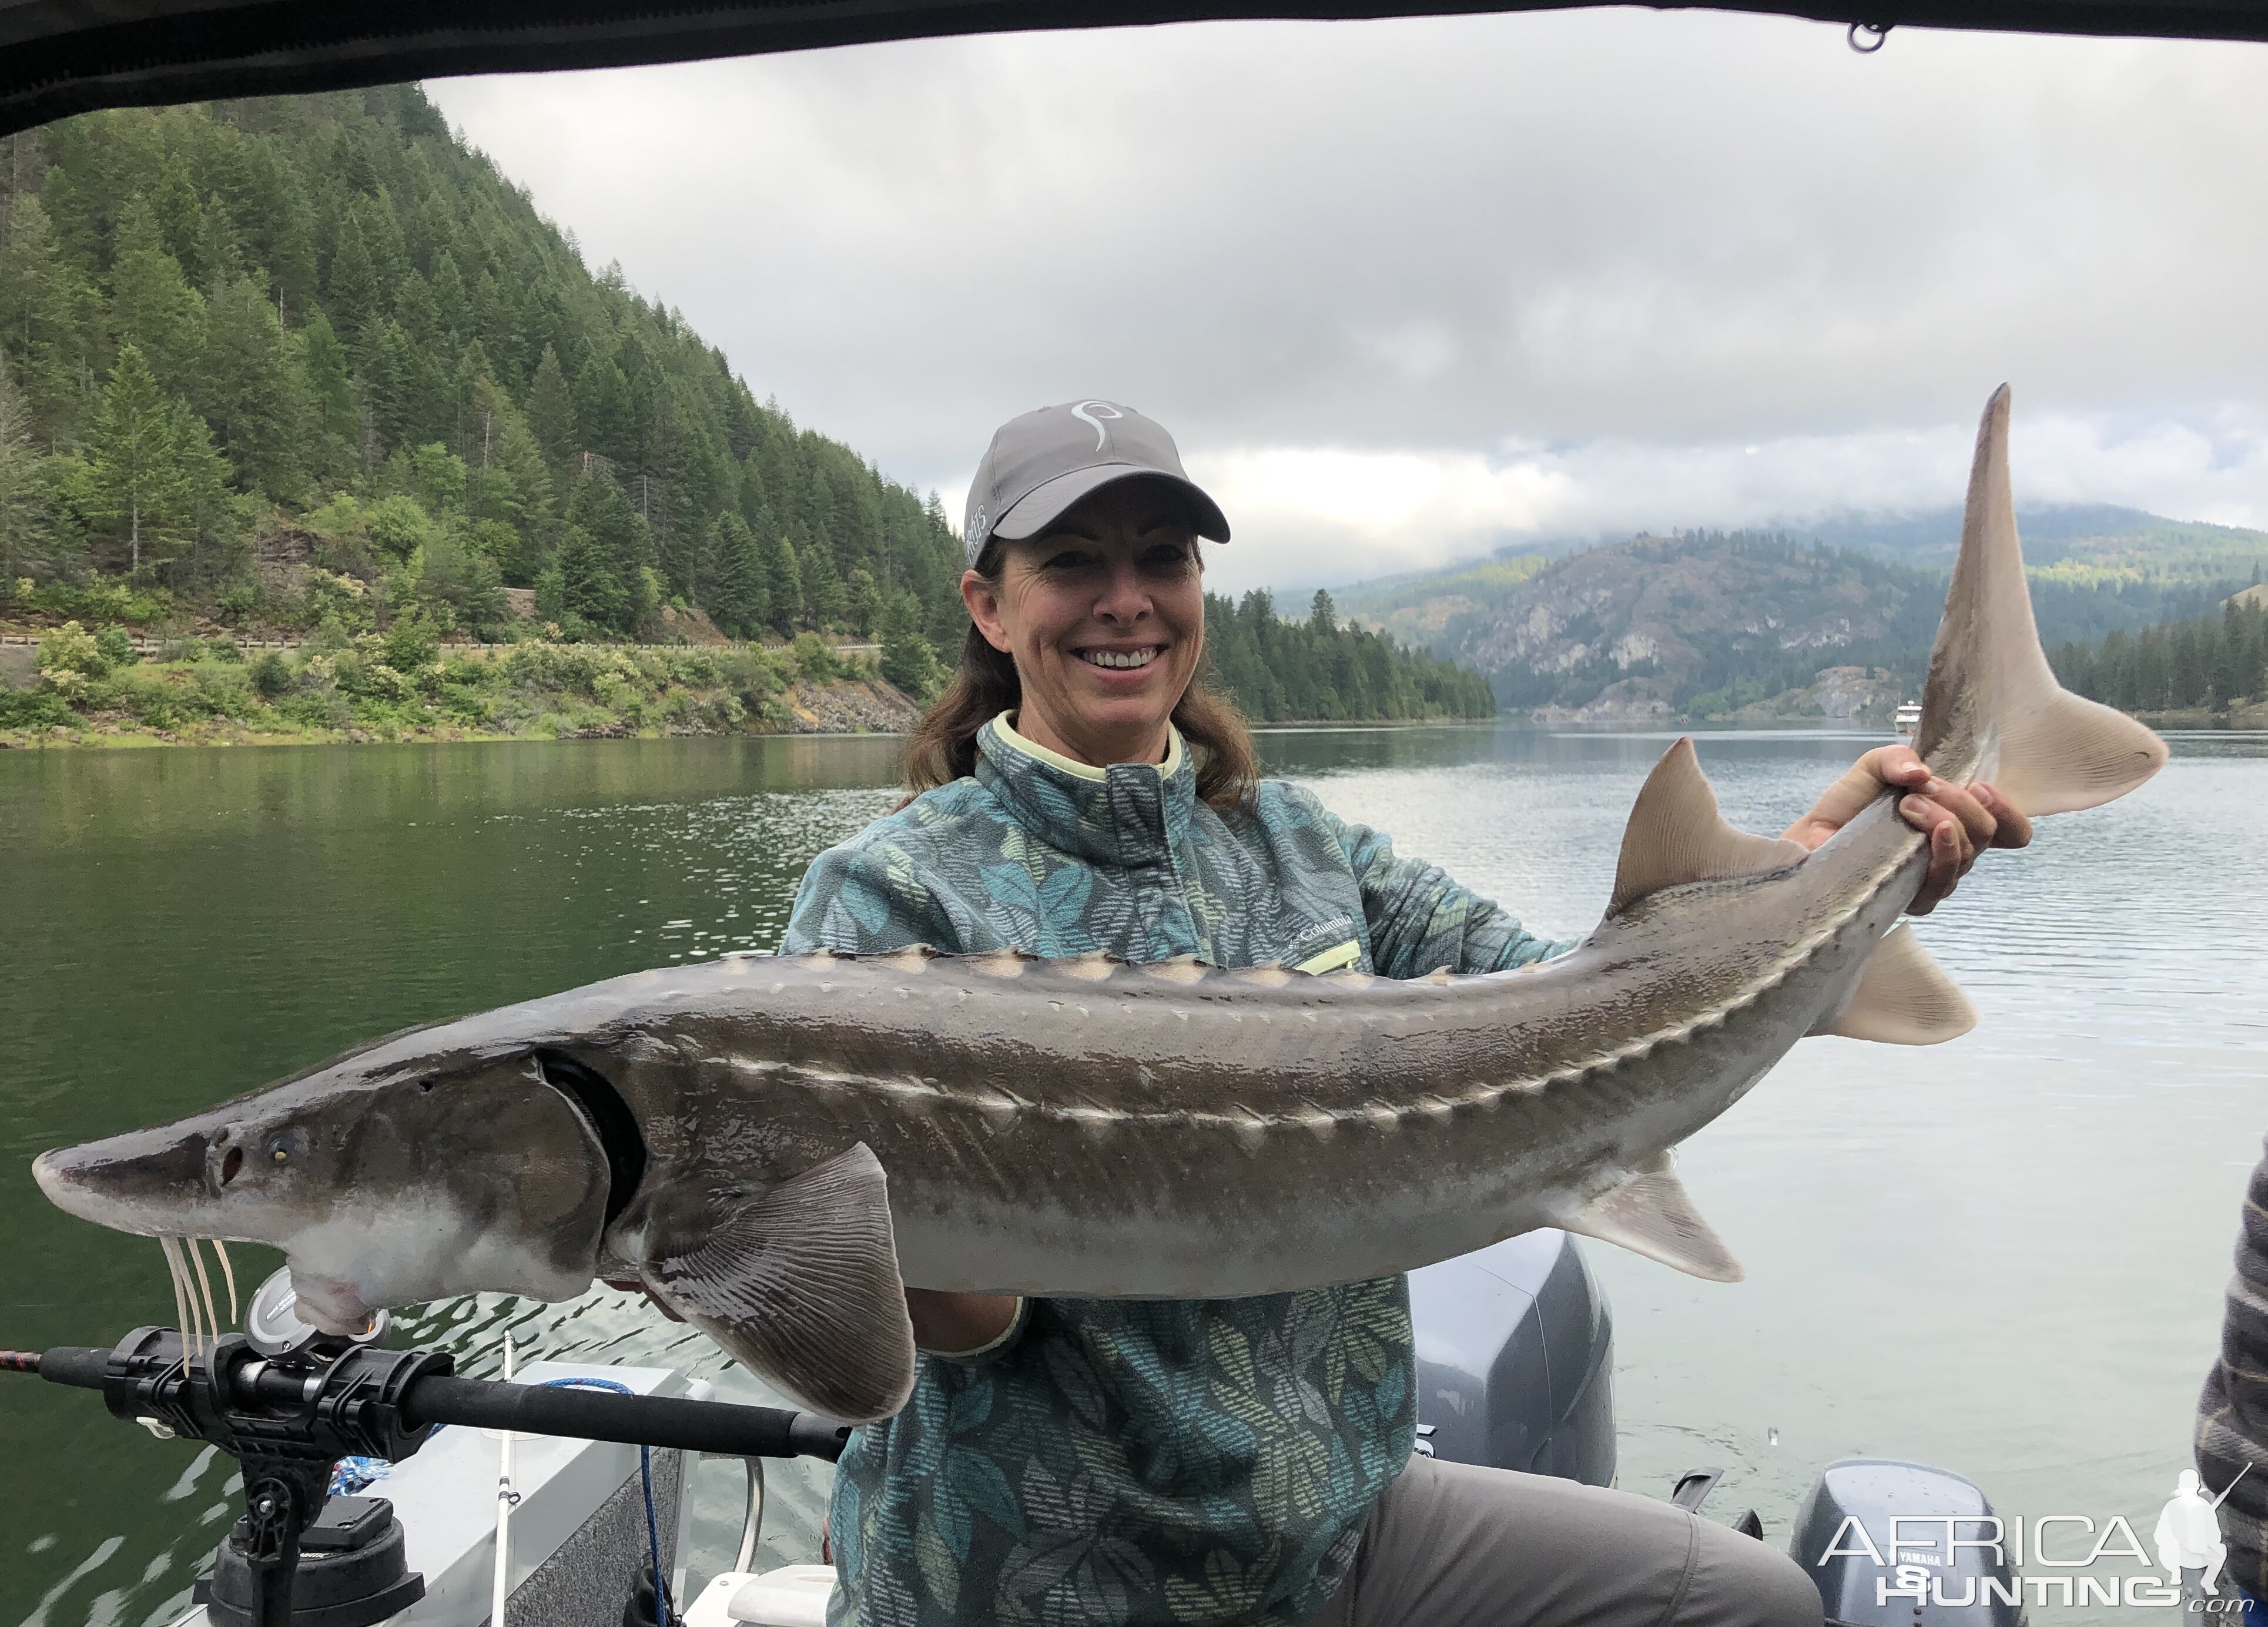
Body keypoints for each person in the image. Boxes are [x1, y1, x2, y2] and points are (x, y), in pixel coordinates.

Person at [774, 399, 2031, 1627]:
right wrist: (759, 1253)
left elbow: (1592, 1007)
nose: (1126, 599)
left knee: (1752, 1602)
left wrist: (1823, 862)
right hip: (1041, 1580)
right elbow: (966, 1323)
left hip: (1342, 1529)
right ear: (989, 606)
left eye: (1162, 559)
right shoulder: (890, 896)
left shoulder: (1305, 846)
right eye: (1071, 564)